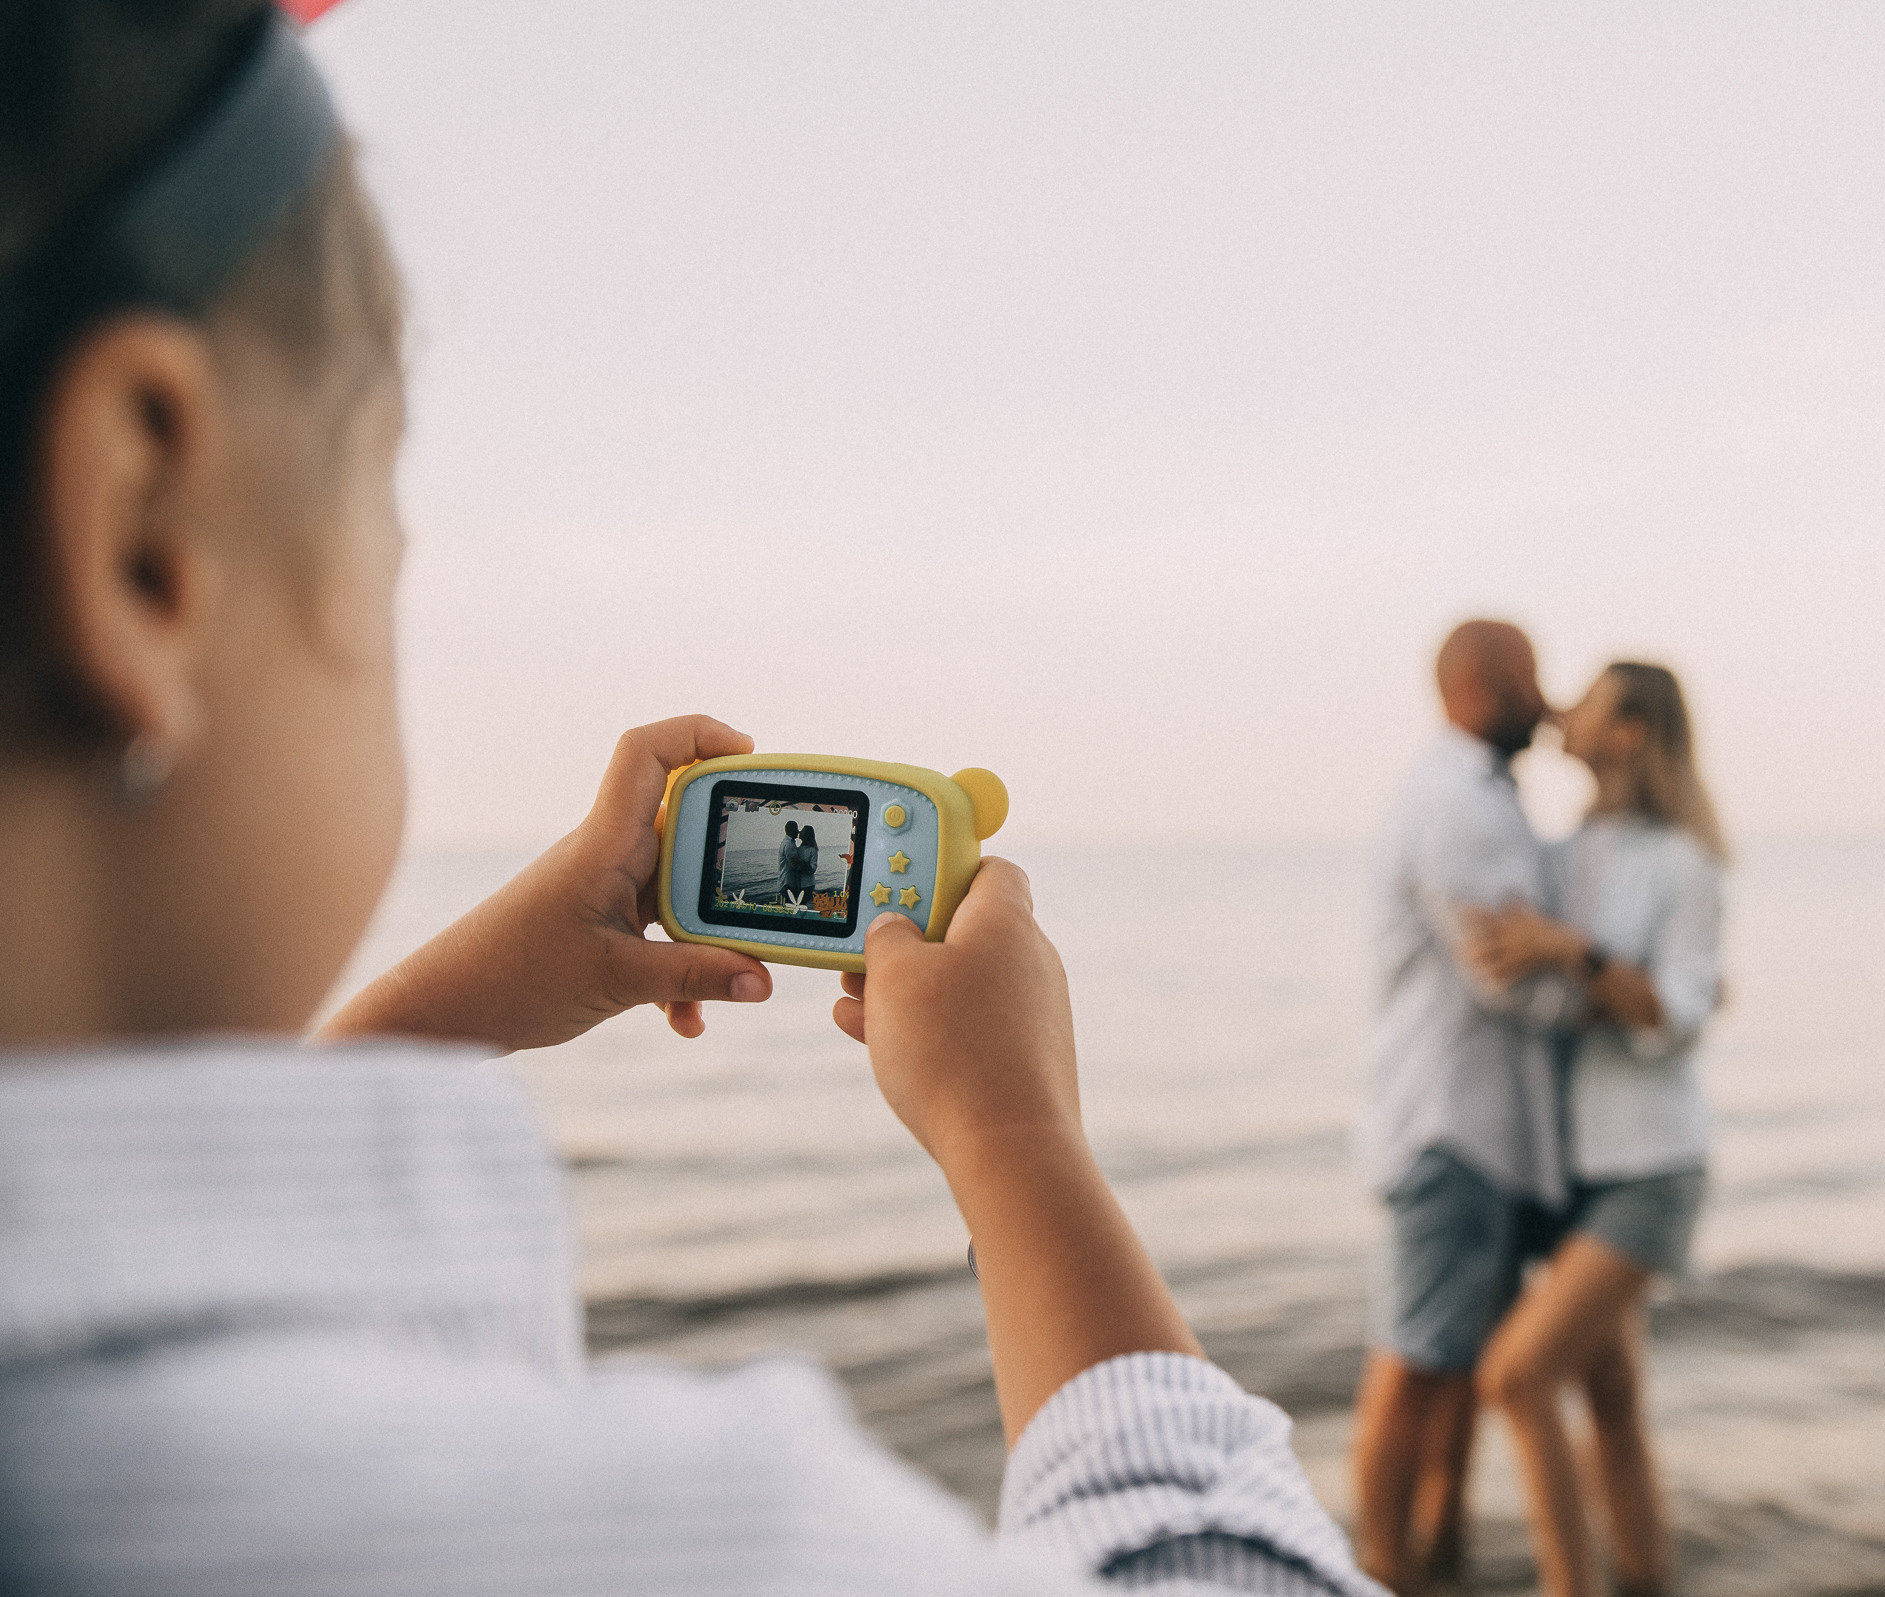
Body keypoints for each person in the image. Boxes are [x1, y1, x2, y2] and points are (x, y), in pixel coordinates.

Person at [0, 6, 1384, 1593]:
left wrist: (441, 1023)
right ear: (139, 537)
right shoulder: (679, 1538)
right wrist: (1015, 1136)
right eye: (385, 525)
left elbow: (168, 1266)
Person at [1459, 662, 1728, 1597]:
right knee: (1611, 1401)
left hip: (1653, 1167)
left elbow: (1674, 1012)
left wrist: (1569, 952)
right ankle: (1648, 1583)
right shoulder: (1565, 850)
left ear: (1630, 734)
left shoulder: (1684, 862)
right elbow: (1555, 988)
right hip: (1580, 1168)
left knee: (1515, 1378)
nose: (1565, 707)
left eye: (1590, 698)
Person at [1349, 619, 1587, 1595]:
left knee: (1456, 1369)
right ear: (1486, 684)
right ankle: (1379, 1569)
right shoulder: (1456, 804)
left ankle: (1437, 1562)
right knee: (1412, 1366)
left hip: (1485, 1131)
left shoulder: (1483, 797)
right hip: (1450, 1125)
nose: (1547, 697)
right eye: (1533, 678)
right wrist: (1610, 979)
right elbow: (1510, 975)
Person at [783, 819, 819, 907]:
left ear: (806, 835)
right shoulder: (798, 849)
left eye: (802, 831)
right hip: (798, 884)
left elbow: (812, 869)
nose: (799, 832)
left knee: (804, 906)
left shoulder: (813, 850)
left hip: (808, 884)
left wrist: (801, 862)